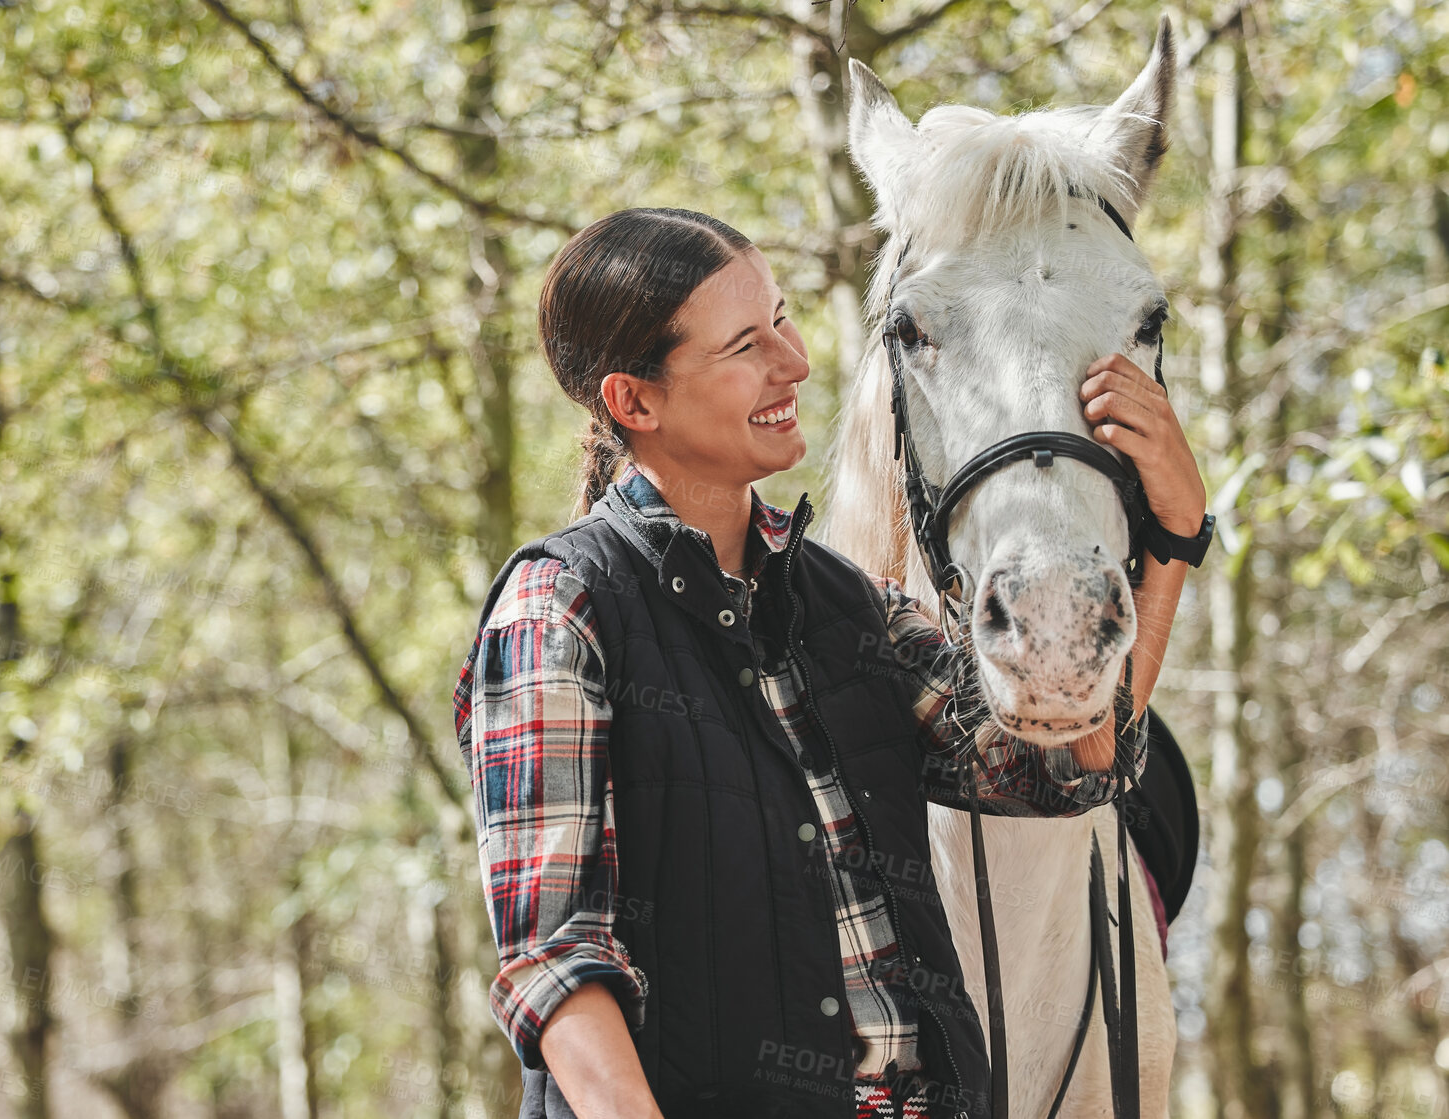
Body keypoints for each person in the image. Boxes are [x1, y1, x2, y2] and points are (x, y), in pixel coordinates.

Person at [451, 208, 1205, 1119]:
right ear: (634, 402)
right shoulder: (558, 608)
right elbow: (557, 963)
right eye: (743, 346)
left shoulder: (850, 607)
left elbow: (1065, 769)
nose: (794, 361)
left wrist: (1168, 536)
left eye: (781, 317)